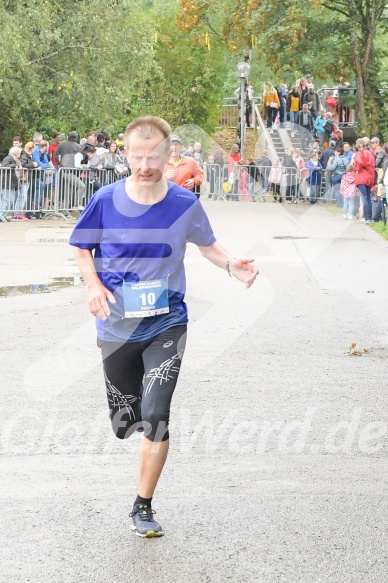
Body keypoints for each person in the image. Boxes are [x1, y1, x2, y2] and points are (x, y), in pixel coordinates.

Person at [69, 115, 259, 538]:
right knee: (125, 422)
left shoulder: (184, 204)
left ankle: (143, 505)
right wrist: (94, 286)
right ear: (126, 154)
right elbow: (82, 248)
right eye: (136, 157)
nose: (144, 166)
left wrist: (231, 264)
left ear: (169, 152)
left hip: (167, 321)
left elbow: (207, 245)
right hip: (117, 325)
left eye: (152, 157)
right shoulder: (105, 199)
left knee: (156, 416)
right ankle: (131, 422)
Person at [354, 138, 375, 224]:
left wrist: (356, 168)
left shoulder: (359, 154)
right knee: (368, 198)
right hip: (370, 178)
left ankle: (366, 217)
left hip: (362, 177)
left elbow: (359, 164)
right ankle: (369, 217)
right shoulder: (370, 153)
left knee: (364, 198)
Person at [0, 147, 22, 221]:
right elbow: (4, 166)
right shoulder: (8, 158)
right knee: (9, 200)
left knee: (7, 200)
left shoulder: (14, 159)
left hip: (11, 182)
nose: (20, 154)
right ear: (16, 153)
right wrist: (14, 166)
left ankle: (3, 215)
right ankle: (2, 215)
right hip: (6, 182)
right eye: (19, 153)